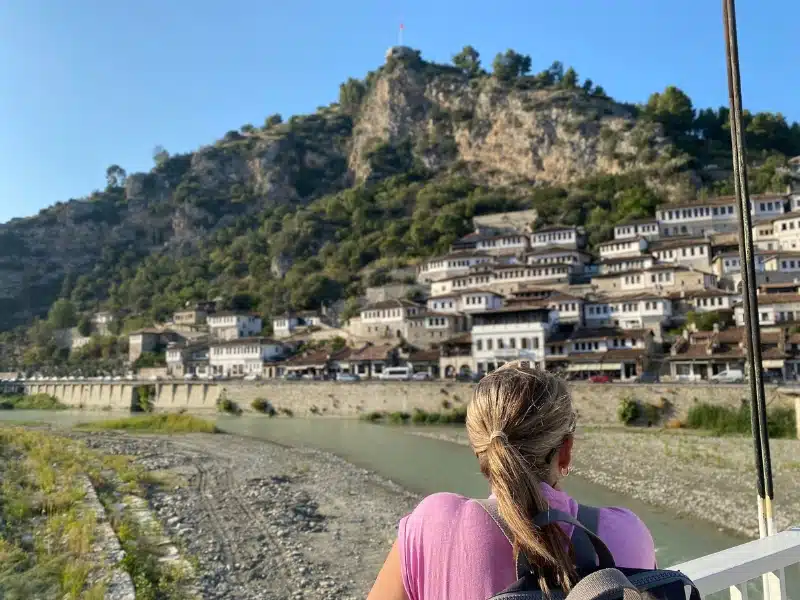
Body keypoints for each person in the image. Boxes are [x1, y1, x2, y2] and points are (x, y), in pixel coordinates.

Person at [366, 361, 656, 600]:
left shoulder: (432, 523)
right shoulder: (628, 532)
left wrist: (494, 396)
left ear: (480, 449)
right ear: (565, 452)